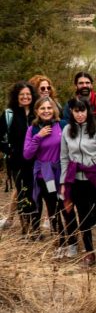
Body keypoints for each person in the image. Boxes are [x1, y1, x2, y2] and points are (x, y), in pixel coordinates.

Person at [60, 98, 96, 268]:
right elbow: (64, 158)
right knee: (83, 216)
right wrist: (63, 182)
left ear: (88, 111)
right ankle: (89, 252)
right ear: (72, 112)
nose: (80, 114)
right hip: (76, 179)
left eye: (83, 111)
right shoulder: (67, 129)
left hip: (95, 177)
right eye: (76, 111)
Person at [23, 96, 69, 255]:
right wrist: (38, 136)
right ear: (36, 111)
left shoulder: (62, 125)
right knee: (53, 208)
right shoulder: (33, 129)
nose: (46, 111)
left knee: (67, 207)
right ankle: (60, 242)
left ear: (54, 109)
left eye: (49, 108)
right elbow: (27, 155)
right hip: (46, 175)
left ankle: (73, 241)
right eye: (42, 108)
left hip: (63, 173)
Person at [0, 81, 38, 234]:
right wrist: (9, 151)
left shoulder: (37, 112)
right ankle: (25, 228)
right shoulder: (9, 114)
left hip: (37, 160)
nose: (25, 97)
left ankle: (35, 227)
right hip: (17, 162)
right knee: (23, 192)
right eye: (22, 94)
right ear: (16, 96)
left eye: (28, 94)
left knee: (36, 192)